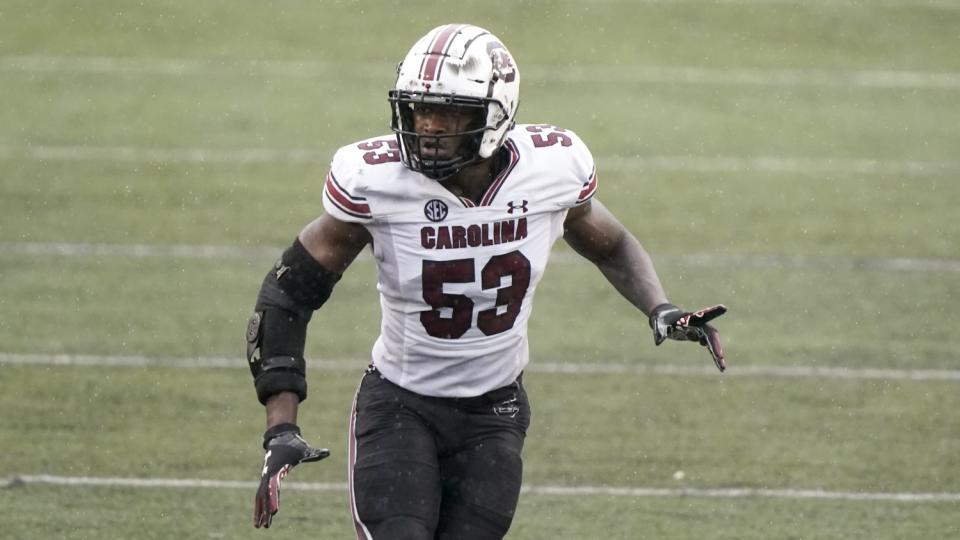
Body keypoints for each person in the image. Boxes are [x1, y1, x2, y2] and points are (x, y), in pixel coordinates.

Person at [245, 23, 727, 539]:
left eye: (447, 112)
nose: (427, 126)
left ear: (494, 115)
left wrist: (660, 307)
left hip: (494, 413)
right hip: (400, 405)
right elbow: (287, 294)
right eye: (418, 109)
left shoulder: (549, 171)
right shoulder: (378, 182)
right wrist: (281, 426)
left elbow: (610, 243)